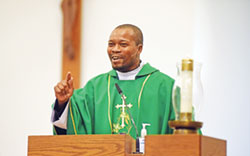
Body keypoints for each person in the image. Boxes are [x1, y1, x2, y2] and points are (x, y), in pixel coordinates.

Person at [51, 24, 175, 138]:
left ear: (139, 49)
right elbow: (72, 124)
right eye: (111, 44)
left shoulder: (166, 87)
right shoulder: (94, 88)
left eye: (123, 44)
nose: (115, 49)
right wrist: (62, 103)